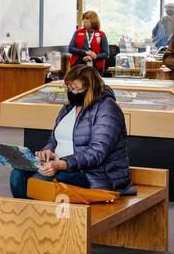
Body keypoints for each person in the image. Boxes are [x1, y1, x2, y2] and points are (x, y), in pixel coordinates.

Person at [10, 64, 133, 198]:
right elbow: (55, 139)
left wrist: (61, 164)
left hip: (95, 174)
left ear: (90, 88)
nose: (71, 92)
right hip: (61, 164)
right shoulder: (69, 107)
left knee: (40, 181)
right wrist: (48, 151)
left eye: (75, 89)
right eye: (68, 88)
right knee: (17, 175)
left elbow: (97, 152)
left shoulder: (107, 108)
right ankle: (29, 216)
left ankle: (39, 216)